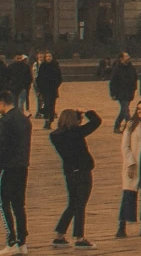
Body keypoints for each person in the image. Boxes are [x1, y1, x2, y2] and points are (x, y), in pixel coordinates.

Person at [49, 106, 100, 248]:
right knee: (81, 204)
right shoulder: (77, 132)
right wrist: (89, 112)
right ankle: (79, 237)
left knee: (72, 203)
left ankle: (60, 234)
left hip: (70, 172)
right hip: (83, 172)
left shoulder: (55, 136)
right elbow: (97, 122)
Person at [114, 102, 141, 239]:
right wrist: (130, 163)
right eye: (139, 108)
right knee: (129, 194)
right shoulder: (131, 125)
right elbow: (125, 146)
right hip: (134, 161)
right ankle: (122, 226)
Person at [0, 91, 29, 255]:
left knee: (4, 203)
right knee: (19, 205)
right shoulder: (23, 118)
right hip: (22, 166)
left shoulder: (5, 121)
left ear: (2, 103)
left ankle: (11, 241)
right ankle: (22, 242)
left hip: (8, 167)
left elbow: (2, 146)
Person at [104, 58, 134, 134]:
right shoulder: (117, 69)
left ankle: (117, 126)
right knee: (126, 110)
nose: (128, 58)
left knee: (123, 110)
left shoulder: (131, 67)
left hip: (129, 92)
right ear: (121, 59)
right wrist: (113, 94)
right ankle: (131, 126)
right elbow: (113, 82)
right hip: (121, 93)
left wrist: (134, 89)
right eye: (126, 56)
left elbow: (134, 79)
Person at [32, 56, 59, 128]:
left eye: (50, 56)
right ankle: (47, 119)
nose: (48, 58)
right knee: (47, 104)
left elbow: (59, 78)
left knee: (52, 105)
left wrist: (55, 85)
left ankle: (50, 120)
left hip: (53, 90)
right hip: (44, 90)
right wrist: (40, 88)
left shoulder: (55, 65)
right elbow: (39, 78)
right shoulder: (43, 66)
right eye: (47, 56)